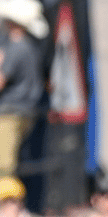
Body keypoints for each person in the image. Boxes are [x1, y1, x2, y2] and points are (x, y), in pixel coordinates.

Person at [0, 0, 47, 176]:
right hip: (25, 112)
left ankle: (6, 203)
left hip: (10, 113)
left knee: (4, 167)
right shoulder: (30, 46)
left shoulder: (17, 47)